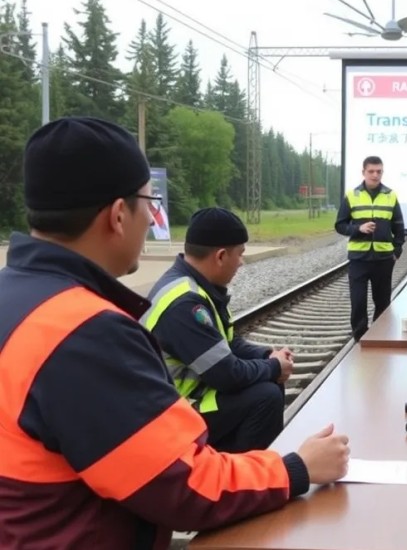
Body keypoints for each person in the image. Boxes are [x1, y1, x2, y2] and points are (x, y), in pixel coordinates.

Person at [0, 117, 349, 549]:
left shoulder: (16, 299)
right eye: (150, 202)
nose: (152, 217)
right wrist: (295, 467)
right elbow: (182, 485)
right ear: (117, 215)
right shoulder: (82, 333)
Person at [142, 207, 294, 453]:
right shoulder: (184, 304)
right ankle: (240, 483)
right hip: (169, 414)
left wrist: (266, 355)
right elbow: (226, 374)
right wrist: (274, 367)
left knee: (269, 383)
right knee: (266, 396)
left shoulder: (194, 286)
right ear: (221, 256)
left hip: (183, 399)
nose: (241, 262)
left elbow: (229, 344)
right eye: (240, 254)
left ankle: (242, 466)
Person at [335, 155, 405, 340]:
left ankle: (379, 337)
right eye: (371, 171)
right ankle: (359, 338)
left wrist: (397, 251)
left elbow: (399, 226)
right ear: (363, 172)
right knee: (358, 302)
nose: (375, 175)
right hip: (359, 259)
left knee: (382, 302)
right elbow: (340, 225)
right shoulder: (352, 195)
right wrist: (358, 228)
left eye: (379, 171)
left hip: (383, 260)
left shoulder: (390, 195)